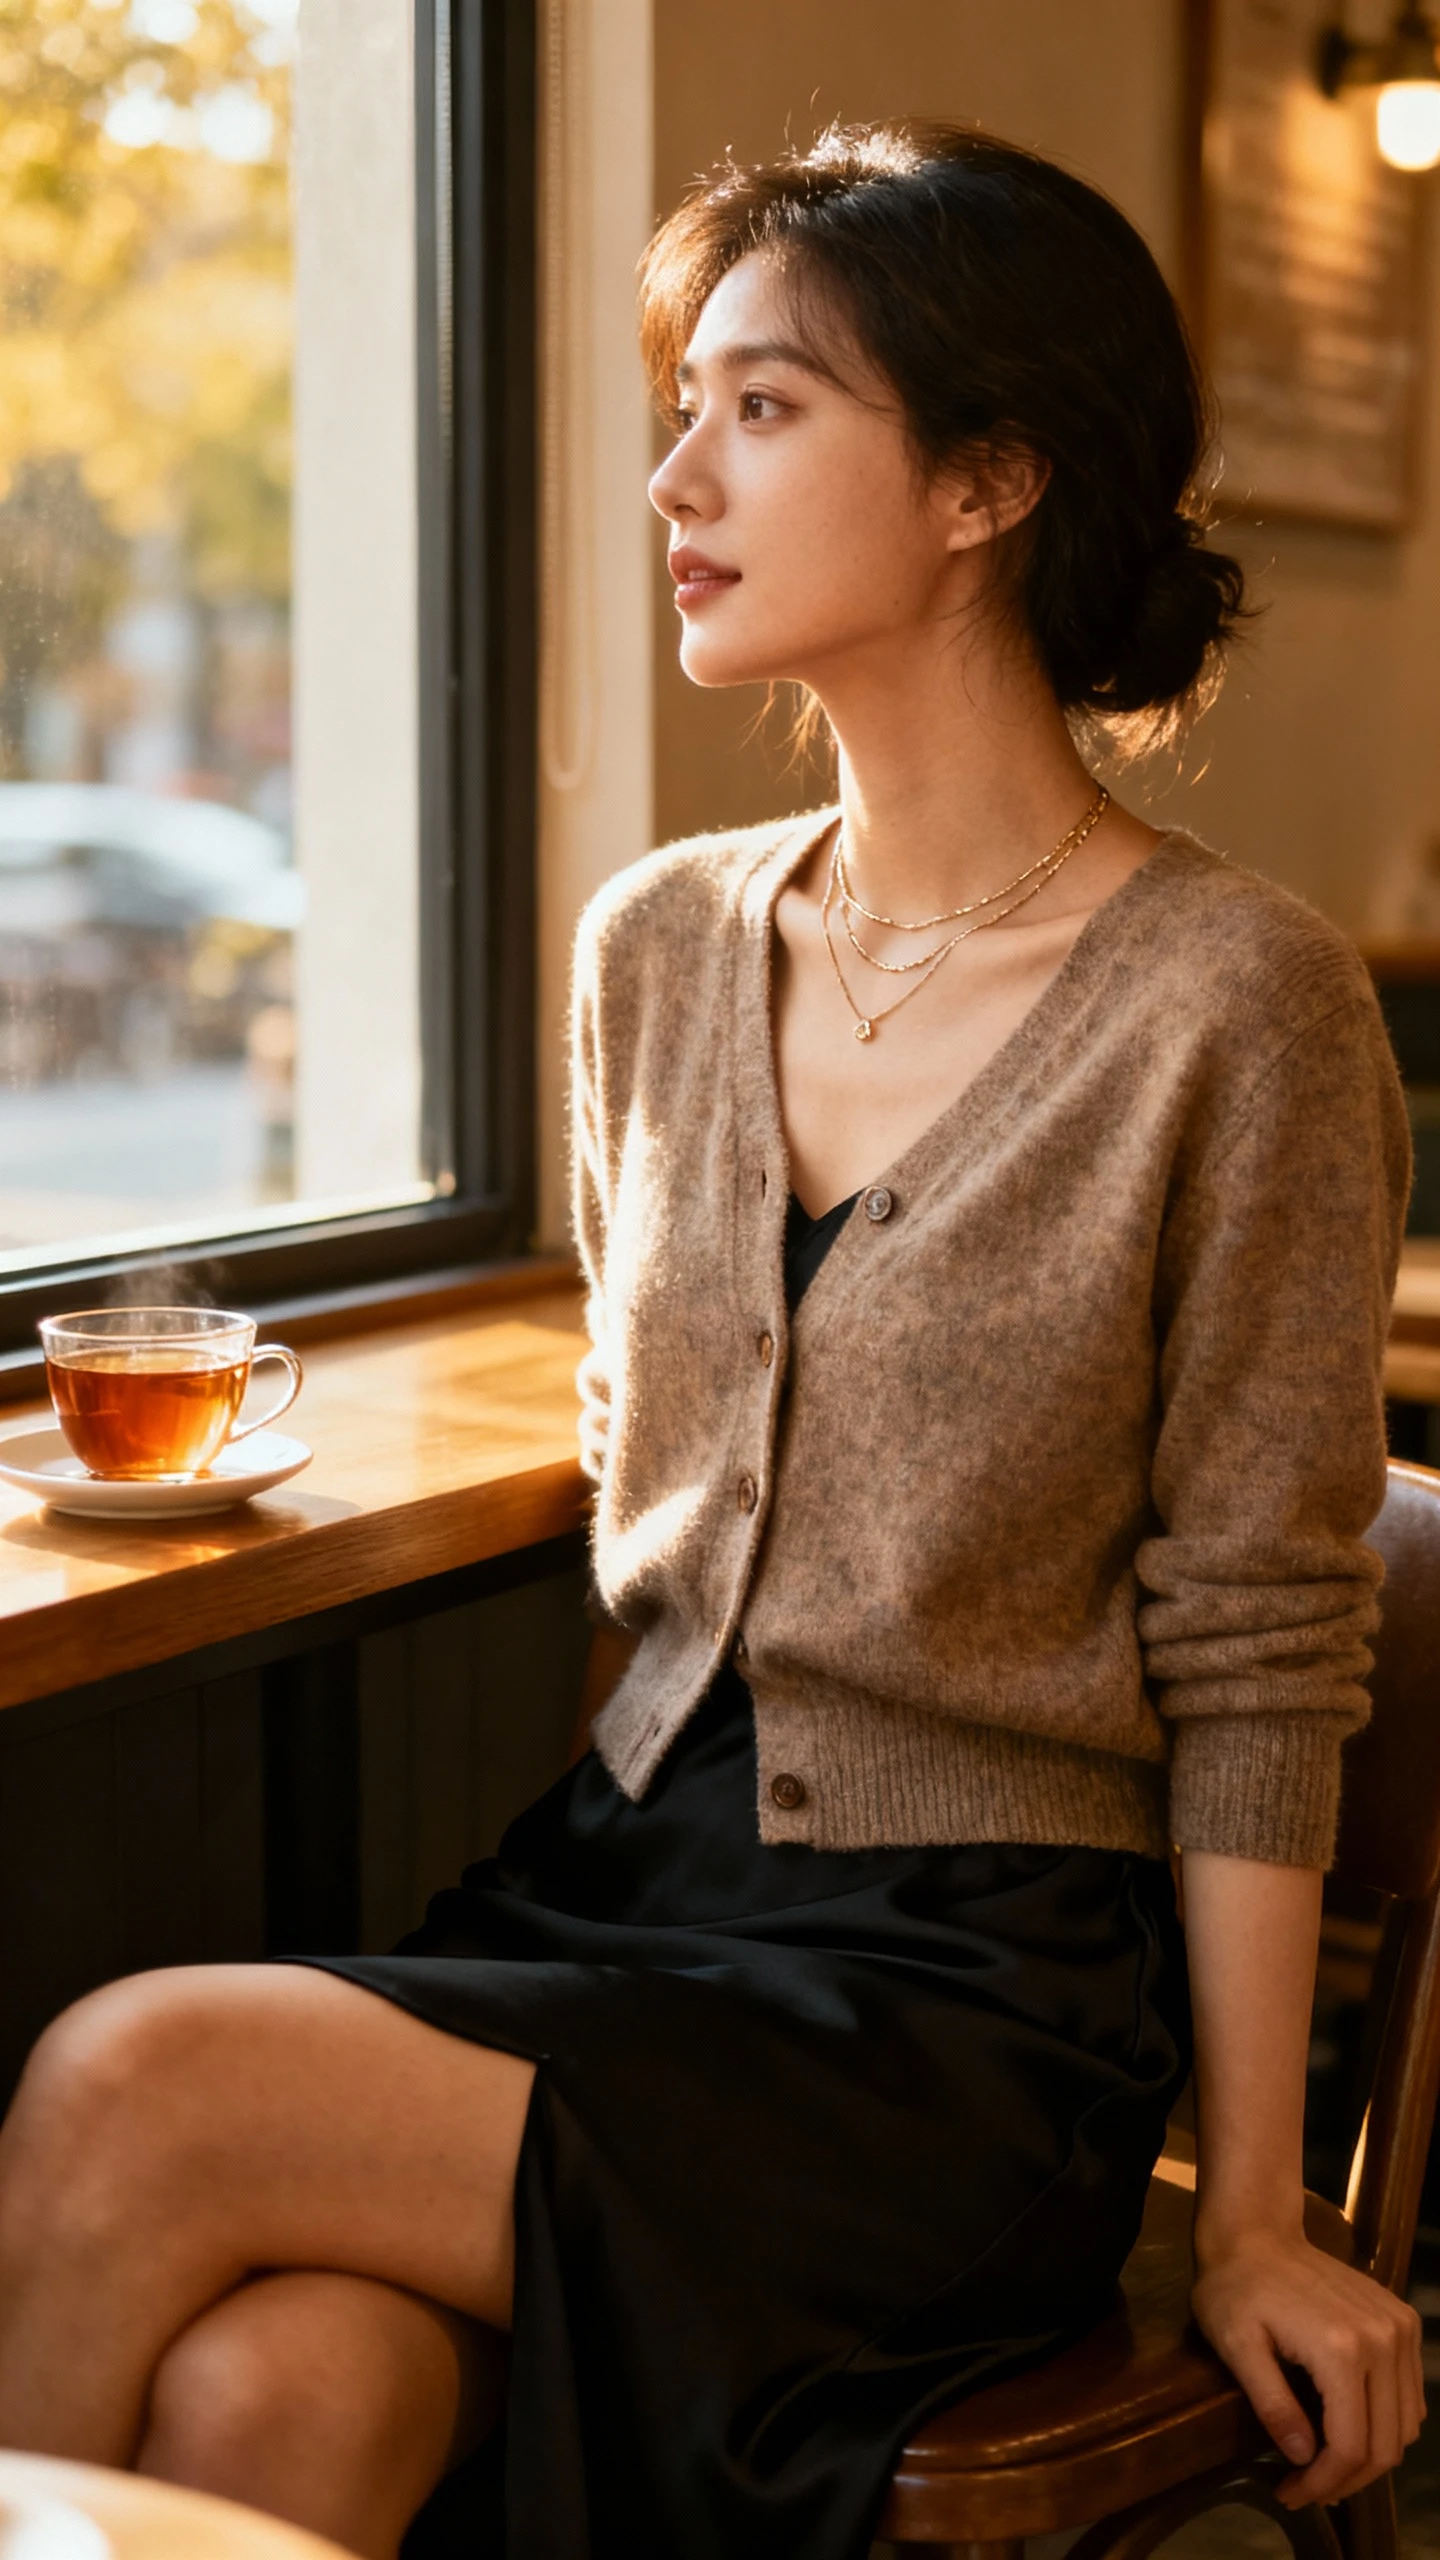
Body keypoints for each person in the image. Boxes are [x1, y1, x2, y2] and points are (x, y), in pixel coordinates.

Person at [0, 121, 1425, 2560]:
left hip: (957, 2022)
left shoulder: (1237, 1003)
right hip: (626, 1912)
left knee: (128, 2076)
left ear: (987, 479)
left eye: (763, 408)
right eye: (690, 400)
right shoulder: (653, 951)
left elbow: (1265, 1648)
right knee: (276, 2388)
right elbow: (652, 1498)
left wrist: (1269, 2210)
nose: (677, 467)